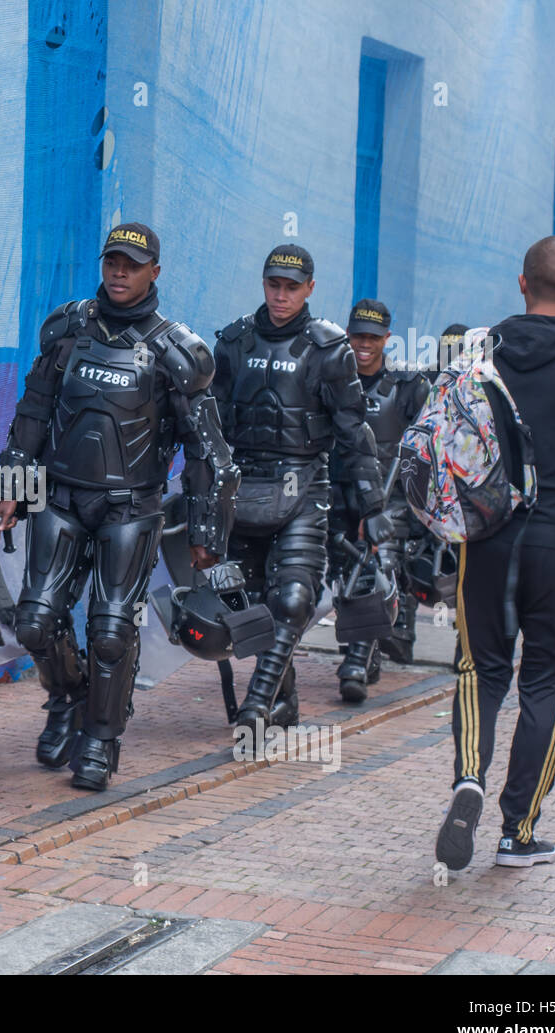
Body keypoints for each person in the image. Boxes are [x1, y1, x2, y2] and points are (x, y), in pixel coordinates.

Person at [0, 223, 238, 790]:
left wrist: (207, 532)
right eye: (112, 262)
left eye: (132, 264)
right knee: (35, 620)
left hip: (131, 507)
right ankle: (68, 700)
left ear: (155, 271)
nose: (119, 273)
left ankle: (102, 738)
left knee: (109, 629)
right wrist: (9, 487)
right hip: (58, 497)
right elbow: (31, 415)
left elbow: (208, 455)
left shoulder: (179, 352)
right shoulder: (68, 330)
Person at [435, 235, 555, 871]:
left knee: (477, 669)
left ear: (521, 283)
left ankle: (468, 778)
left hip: (484, 537)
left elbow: (450, 445)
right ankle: (518, 831)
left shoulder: (478, 357)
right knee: (546, 683)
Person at [212, 245, 393, 730]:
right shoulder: (233, 343)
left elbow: (355, 433)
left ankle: (255, 706)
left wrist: (372, 505)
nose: (281, 295)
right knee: (242, 608)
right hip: (242, 488)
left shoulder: (329, 349)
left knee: (292, 598)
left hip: (304, 488)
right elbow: (206, 428)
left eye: (292, 287)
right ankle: (283, 697)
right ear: (263, 283)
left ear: (310, 288)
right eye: (274, 285)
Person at [327, 299, 431, 701]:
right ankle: (365, 648)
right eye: (357, 336)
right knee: (335, 576)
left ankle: (355, 659)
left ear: (387, 339)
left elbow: (426, 448)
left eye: (373, 337)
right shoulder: (333, 379)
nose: (364, 345)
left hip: (388, 503)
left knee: (377, 567)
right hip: (336, 494)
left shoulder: (407, 387)